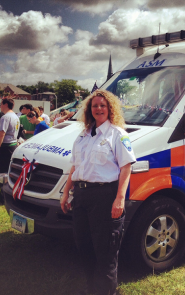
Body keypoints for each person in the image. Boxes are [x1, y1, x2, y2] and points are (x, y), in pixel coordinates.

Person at [60, 89, 136, 295]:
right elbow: (74, 167)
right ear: (89, 110)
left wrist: (119, 199)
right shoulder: (83, 135)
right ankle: (92, 290)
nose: (99, 108)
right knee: (85, 248)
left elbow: (126, 167)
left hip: (104, 197)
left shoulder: (118, 134)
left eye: (103, 105)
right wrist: (66, 193)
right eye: (95, 105)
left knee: (106, 253)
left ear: (110, 108)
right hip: (82, 197)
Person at [0, 98, 20, 205]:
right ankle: (9, 195)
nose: (0, 106)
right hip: (13, 146)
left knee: (2, 173)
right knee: (9, 172)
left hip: (5, 147)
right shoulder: (15, 116)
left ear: (5, 104)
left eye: (1, 104)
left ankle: (3, 198)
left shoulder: (5, 117)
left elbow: (1, 134)